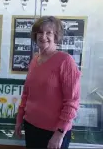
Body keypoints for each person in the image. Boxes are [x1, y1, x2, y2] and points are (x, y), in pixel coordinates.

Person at [15, 16, 81, 149]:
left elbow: (72, 102)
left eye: (49, 32)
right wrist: (19, 120)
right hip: (31, 127)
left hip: (53, 132)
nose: (43, 36)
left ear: (56, 36)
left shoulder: (66, 61)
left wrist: (60, 133)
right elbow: (26, 94)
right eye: (40, 32)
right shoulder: (35, 60)